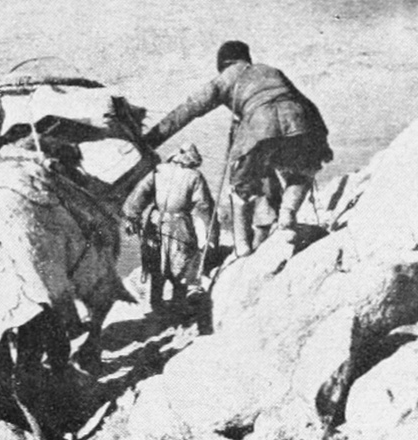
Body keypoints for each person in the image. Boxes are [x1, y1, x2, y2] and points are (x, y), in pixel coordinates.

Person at [143, 40, 333, 257]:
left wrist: (150, 141)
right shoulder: (270, 70)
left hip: (259, 125)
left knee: (241, 185)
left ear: (223, 63)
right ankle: (287, 213)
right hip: (299, 121)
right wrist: (320, 138)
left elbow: (188, 109)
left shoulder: (225, 77)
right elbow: (306, 103)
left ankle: (242, 245)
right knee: (302, 171)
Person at [123, 143, 214, 311]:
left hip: (160, 223)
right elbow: (203, 206)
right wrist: (210, 233)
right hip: (174, 224)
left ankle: (160, 303)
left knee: (160, 263)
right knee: (175, 263)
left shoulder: (161, 171)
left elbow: (140, 193)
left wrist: (132, 215)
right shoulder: (192, 176)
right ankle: (173, 304)